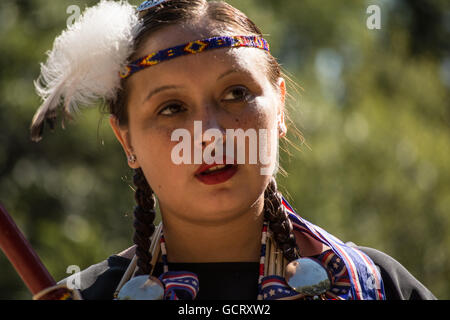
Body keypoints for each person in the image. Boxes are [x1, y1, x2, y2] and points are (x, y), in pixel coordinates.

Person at [30, 0, 436, 300]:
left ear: (280, 107)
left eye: (236, 93)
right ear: (128, 140)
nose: (210, 133)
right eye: (171, 108)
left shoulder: (379, 286)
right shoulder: (88, 295)